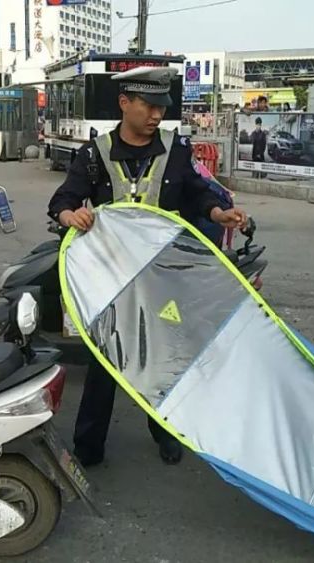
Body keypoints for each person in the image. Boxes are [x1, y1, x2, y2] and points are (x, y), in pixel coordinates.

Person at [47, 66, 248, 467]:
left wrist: (217, 211)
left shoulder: (176, 150)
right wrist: (71, 215)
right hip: (110, 281)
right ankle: (88, 447)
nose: (157, 115)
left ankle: (166, 433)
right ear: (125, 103)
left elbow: (195, 193)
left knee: (165, 360)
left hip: (163, 277)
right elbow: (63, 200)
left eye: (162, 107)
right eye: (149, 105)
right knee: (104, 364)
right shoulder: (94, 155)